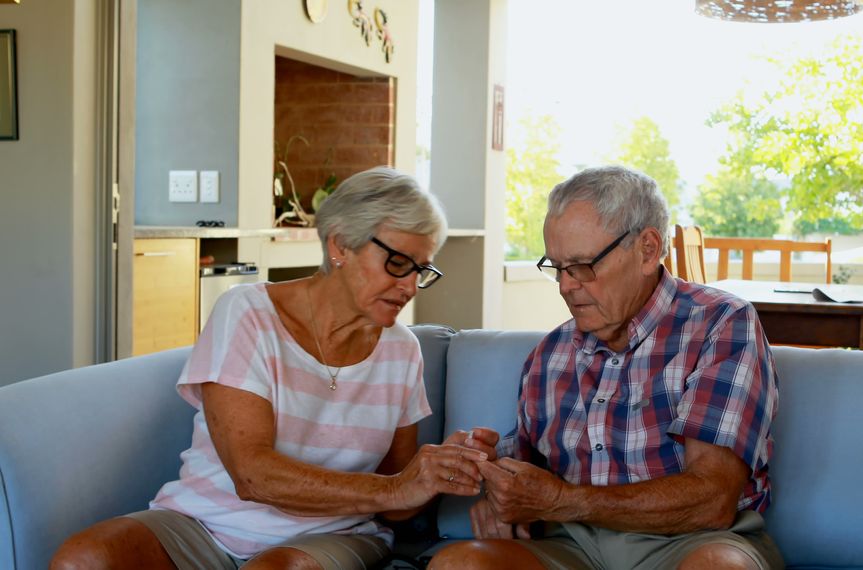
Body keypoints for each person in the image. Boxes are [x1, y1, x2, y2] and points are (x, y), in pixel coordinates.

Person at [51, 167, 498, 570]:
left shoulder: (403, 351)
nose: (409, 286)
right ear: (340, 244)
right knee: (83, 559)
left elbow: (396, 507)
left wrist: (437, 471)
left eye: (421, 270)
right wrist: (397, 489)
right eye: (398, 263)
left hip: (332, 536)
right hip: (204, 522)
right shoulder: (247, 313)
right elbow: (252, 476)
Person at [430, 165, 783, 569]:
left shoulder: (721, 324)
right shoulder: (549, 354)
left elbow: (712, 500)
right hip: (573, 545)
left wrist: (562, 501)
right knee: (458, 564)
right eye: (557, 268)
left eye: (582, 266)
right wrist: (487, 475)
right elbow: (529, 470)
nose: (566, 285)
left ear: (648, 249)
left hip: (692, 541)